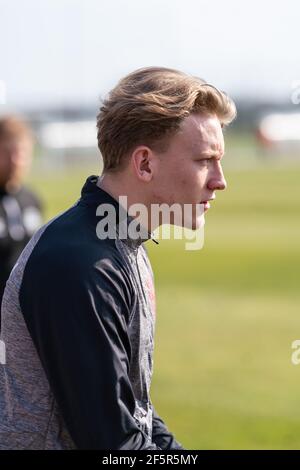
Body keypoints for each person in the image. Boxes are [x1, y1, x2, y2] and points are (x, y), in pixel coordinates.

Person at [0, 67, 236, 450]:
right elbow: (112, 444)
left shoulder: (120, 245)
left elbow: (134, 410)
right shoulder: (80, 264)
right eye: (204, 160)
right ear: (144, 164)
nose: (219, 179)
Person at [0, 116, 43, 312]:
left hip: (24, 314)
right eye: (8, 152)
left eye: (21, 152)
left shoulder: (32, 200)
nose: (16, 160)